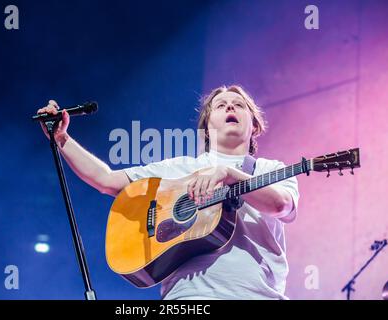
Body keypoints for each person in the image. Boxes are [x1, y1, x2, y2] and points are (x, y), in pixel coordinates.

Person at [37, 85, 299, 300]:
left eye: (239, 104)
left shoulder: (270, 169)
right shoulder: (180, 169)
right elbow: (106, 180)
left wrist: (229, 174)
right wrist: (62, 139)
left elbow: (281, 206)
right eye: (220, 105)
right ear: (207, 127)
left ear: (254, 126)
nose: (230, 106)